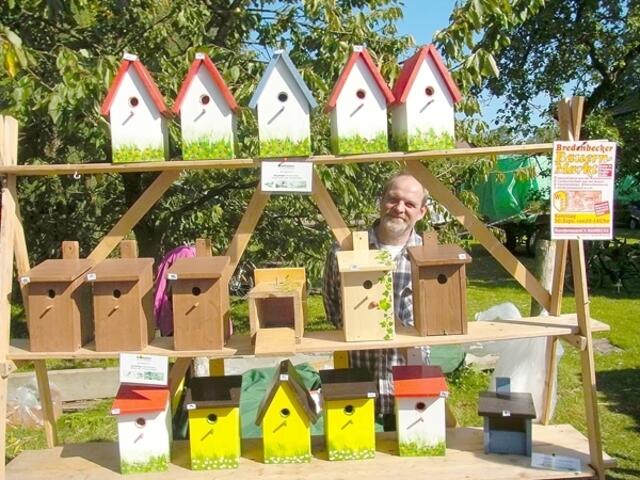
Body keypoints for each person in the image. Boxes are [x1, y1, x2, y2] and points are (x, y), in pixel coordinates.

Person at [323, 171, 428, 430]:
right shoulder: (344, 251)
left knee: (413, 451)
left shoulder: (429, 256)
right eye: (393, 199)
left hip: (408, 380)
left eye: (410, 204)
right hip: (357, 377)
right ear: (381, 200)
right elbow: (332, 304)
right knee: (353, 448)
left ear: (422, 212)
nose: (399, 208)